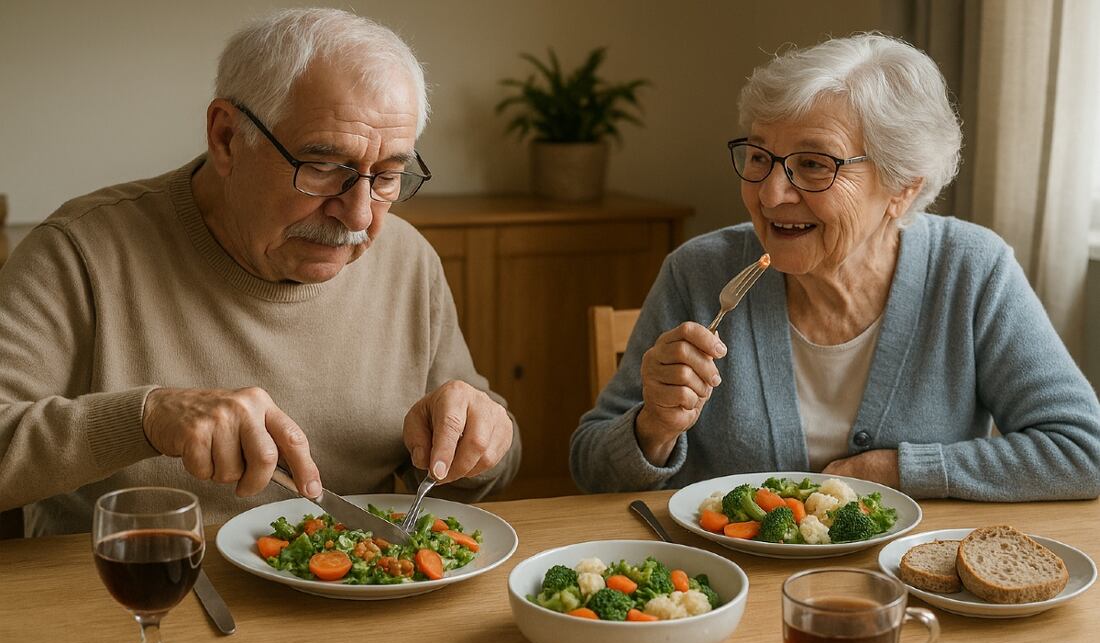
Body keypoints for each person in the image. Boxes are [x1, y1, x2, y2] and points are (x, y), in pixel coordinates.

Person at [0, 8, 520, 536]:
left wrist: (481, 439)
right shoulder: (79, 252)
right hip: (135, 580)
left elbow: (487, 469)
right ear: (227, 137)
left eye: (388, 175)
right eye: (322, 167)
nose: (360, 216)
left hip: (351, 579)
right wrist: (146, 418)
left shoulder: (409, 260)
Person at [570, 33, 1100, 501]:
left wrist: (897, 471)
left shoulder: (971, 271)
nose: (771, 195)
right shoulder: (700, 272)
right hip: (728, 576)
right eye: (759, 157)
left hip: (904, 575)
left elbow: (1084, 449)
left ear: (902, 186)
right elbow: (590, 468)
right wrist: (654, 427)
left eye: (813, 164)